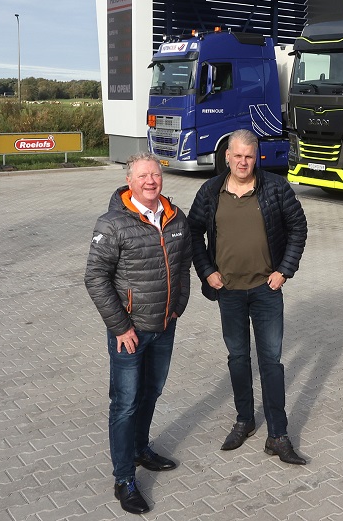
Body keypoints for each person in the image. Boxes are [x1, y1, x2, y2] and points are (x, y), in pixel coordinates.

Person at [188, 129, 309, 465]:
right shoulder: (210, 191)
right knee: (238, 359)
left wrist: (284, 270)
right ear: (227, 156)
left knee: (271, 362)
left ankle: (278, 434)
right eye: (237, 156)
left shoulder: (275, 188)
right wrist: (206, 271)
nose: (243, 162)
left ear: (258, 157)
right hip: (227, 291)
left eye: (249, 156)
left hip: (265, 290)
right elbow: (193, 234)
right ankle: (245, 419)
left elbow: (299, 227)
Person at [84, 153, 192, 514]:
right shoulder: (112, 223)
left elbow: (183, 264)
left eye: (155, 175)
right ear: (129, 182)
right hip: (129, 333)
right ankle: (124, 478)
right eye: (143, 176)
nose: (150, 181)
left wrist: (178, 305)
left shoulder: (177, 218)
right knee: (125, 404)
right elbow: (95, 278)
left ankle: (141, 448)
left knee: (152, 391)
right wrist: (120, 326)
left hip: (164, 325)